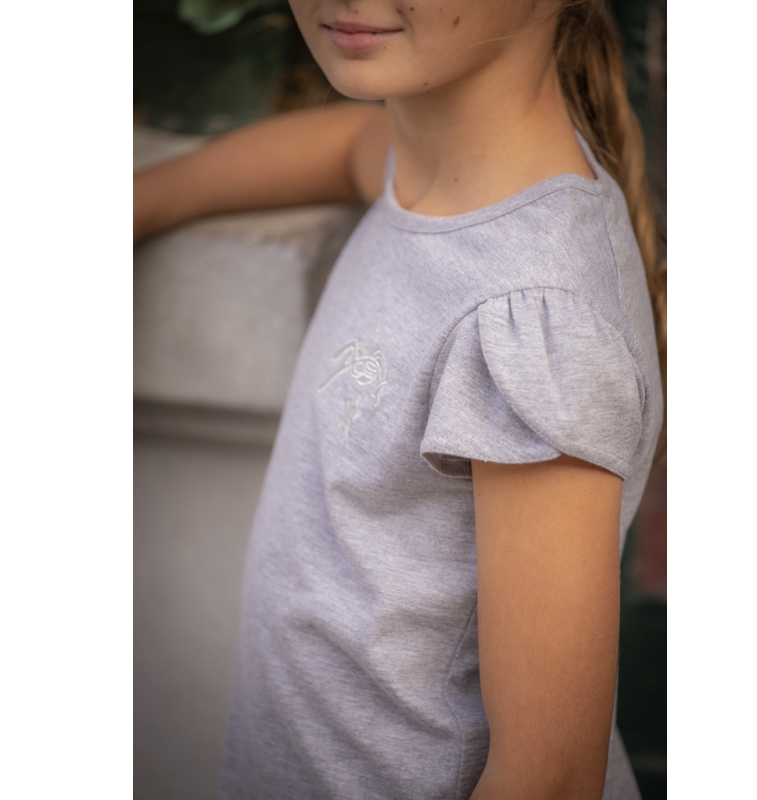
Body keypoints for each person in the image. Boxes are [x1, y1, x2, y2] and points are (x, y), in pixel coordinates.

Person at [134, 0, 666, 797]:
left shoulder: (534, 319)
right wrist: (140, 201)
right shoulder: (429, 167)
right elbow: (349, 146)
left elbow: (548, 777)